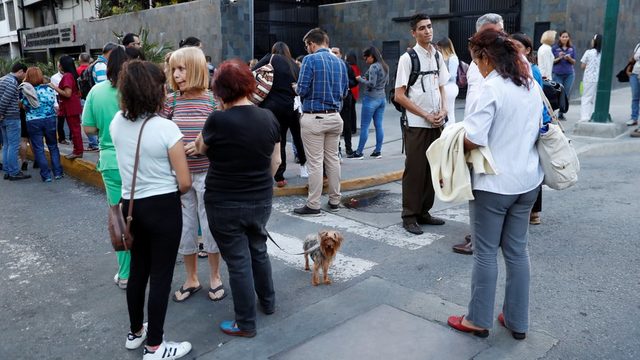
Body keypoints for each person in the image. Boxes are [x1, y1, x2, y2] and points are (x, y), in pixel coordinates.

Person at [447, 28, 543, 341]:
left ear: (486, 57)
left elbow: (474, 138)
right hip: (528, 181)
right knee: (517, 252)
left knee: (486, 253)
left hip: (494, 184)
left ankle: (478, 319)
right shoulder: (527, 83)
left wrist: (451, 143)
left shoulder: (492, 88)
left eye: (476, 61)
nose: (476, 67)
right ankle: (517, 320)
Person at [110, 60, 193, 360]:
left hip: (130, 207)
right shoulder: (166, 128)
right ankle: (155, 346)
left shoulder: (117, 122)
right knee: (160, 276)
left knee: (138, 272)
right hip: (162, 208)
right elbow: (184, 183)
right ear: (153, 90)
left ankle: (136, 333)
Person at [194, 59, 281, 338]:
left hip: (224, 201)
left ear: (219, 91)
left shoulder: (218, 119)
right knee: (258, 249)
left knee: (238, 260)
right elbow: (276, 161)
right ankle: (268, 303)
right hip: (260, 198)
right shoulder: (268, 117)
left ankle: (245, 323)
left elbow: (200, 147)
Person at [162, 46, 225, 303]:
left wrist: (204, 144)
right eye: (174, 69)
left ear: (198, 69)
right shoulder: (171, 101)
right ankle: (191, 278)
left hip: (209, 175)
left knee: (210, 226)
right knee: (186, 228)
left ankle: (215, 276)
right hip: (180, 179)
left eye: (182, 68)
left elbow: (223, 136)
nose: (177, 75)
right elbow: (160, 135)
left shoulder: (213, 101)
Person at [393, 13, 449, 235]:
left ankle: (424, 211)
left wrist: (444, 110)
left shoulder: (437, 56)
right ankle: (409, 216)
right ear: (413, 32)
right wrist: (426, 114)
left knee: (432, 170)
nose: (428, 31)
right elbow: (400, 95)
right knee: (415, 171)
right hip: (416, 124)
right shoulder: (408, 58)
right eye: (422, 28)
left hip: (437, 122)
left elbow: (442, 86)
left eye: (429, 26)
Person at [453, 13, 504, 255]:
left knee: (483, 192)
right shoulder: (477, 63)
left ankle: (480, 238)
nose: (498, 37)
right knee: (474, 187)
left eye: (500, 32)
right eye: (492, 33)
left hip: (489, 138)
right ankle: (478, 233)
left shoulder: (505, 65)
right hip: (475, 130)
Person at [82, 46, 130, 289]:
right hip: (139, 160)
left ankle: (125, 274)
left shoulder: (96, 92)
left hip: (111, 161)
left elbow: (88, 129)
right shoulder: (136, 90)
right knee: (142, 216)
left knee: (119, 218)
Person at [293, 27, 349, 215]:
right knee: (333, 160)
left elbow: (301, 90)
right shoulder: (340, 62)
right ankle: (335, 200)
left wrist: (296, 86)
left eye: (307, 45)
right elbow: (344, 92)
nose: (307, 49)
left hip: (314, 117)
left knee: (315, 162)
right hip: (334, 116)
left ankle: (313, 204)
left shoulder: (309, 60)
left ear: (312, 43)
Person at [511, 32, 553, 226]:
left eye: (517, 47)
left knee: (534, 167)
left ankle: (534, 211)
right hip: (531, 123)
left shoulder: (531, 69)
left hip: (536, 124)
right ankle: (532, 210)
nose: (513, 50)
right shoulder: (520, 67)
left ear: (527, 50)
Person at [253, 41, 306, 187]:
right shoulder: (294, 64)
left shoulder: (271, 58)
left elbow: (254, 70)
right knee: (297, 136)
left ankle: (279, 176)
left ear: (274, 49)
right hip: (292, 106)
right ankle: (304, 167)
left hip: (272, 107)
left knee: (278, 141)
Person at [19, 67, 62, 182]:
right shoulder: (49, 88)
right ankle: (57, 172)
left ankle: (46, 175)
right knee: (53, 146)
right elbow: (53, 102)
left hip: (33, 121)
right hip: (50, 119)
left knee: (38, 148)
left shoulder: (26, 90)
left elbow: (24, 106)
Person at [350, 46, 389, 159]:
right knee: (379, 126)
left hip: (371, 99)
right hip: (382, 99)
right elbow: (385, 83)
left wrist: (359, 79)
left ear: (371, 56)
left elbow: (371, 83)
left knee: (364, 126)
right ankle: (378, 151)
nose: (365, 61)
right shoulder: (385, 66)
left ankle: (359, 152)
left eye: (366, 58)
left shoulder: (373, 67)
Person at [0, 62, 30, 180]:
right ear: (21, 71)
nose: (24, 77)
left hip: (4, 118)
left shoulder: (2, 79)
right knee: (13, 145)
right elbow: (4, 100)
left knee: (7, 145)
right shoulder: (12, 83)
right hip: (11, 117)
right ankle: (14, 171)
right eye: (24, 74)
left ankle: (8, 170)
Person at [50, 55, 83, 159]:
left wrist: (54, 87)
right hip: (72, 105)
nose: (58, 65)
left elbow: (67, 93)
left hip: (70, 106)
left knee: (74, 130)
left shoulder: (67, 76)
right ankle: (78, 150)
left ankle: (78, 151)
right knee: (75, 130)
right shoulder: (72, 74)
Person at [331, 47, 357, 157]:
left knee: (346, 125)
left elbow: (354, 81)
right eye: (332, 52)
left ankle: (349, 149)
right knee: (334, 127)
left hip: (345, 99)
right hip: (332, 100)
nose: (334, 54)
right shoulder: (328, 65)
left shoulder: (345, 65)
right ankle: (337, 150)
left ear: (340, 55)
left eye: (336, 53)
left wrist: (345, 84)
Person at [551, 31, 576, 119]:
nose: (565, 38)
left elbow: (574, 62)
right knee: (558, 92)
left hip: (569, 74)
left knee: (566, 93)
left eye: (566, 37)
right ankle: (554, 111)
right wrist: (559, 58)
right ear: (559, 37)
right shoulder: (554, 48)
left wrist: (569, 58)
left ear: (568, 38)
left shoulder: (572, 48)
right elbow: (551, 61)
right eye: (563, 36)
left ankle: (561, 113)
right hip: (557, 74)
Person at [580, 34, 602, 122]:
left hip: (588, 78)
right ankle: (592, 114)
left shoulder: (588, 52)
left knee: (586, 97)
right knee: (593, 98)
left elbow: (582, 65)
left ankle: (585, 117)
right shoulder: (602, 53)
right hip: (598, 78)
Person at [437, 37, 460, 123]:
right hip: (445, 87)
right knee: (446, 112)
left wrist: (440, 76)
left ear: (445, 47)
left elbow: (452, 75)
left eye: (440, 48)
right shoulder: (443, 58)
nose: (438, 50)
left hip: (450, 87)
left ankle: (449, 133)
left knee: (449, 112)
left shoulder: (452, 58)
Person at [346, 51, 360, 135]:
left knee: (349, 112)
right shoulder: (356, 67)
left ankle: (351, 128)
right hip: (355, 90)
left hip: (351, 90)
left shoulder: (349, 67)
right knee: (352, 111)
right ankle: (353, 128)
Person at [627, 41, 640, 132]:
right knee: (635, 97)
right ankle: (634, 118)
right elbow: (633, 59)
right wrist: (628, 70)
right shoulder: (638, 45)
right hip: (635, 73)